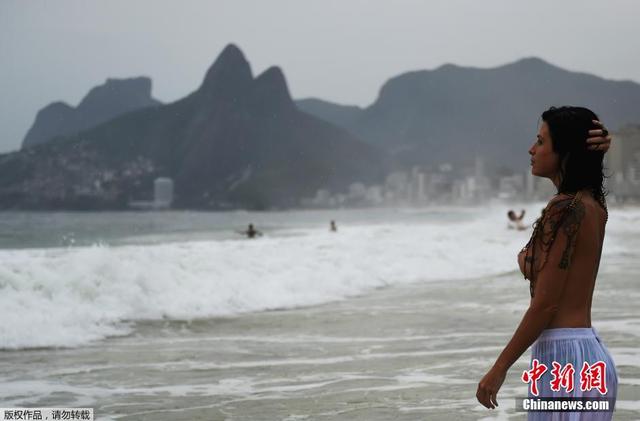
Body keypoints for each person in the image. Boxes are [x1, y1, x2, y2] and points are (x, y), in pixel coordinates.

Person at [476, 107, 617, 419]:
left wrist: (499, 369)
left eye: (540, 141)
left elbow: (545, 304)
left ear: (564, 152)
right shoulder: (592, 206)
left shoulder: (564, 210)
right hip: (588, 356)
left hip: (563, 358)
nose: (531, 149)